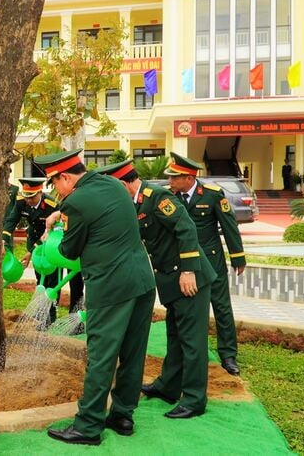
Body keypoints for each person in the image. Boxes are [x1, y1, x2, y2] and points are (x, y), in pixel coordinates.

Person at [33, 150, 156, 446]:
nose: (55, 190)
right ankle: (123, 416)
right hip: (142, 280)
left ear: (65, 177)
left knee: (101, 355)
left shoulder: (74, 202)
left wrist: (53, 236)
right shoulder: (112, 184)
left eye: (54, 183)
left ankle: (88, 426)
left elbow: (69, 252)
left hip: (111, 288)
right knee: (132, 351)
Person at [98, 159, 217, 420]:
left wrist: (188, 271)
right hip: (171, 280)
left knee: (193, 341)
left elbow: (185, 227)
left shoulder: (157, 197)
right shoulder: (135, 203)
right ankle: (168, 386)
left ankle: (195, 400)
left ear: (123, 183)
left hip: (189, 278)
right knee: (175, 335)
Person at [166, 152, 246, 376]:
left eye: (174, 178)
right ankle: (188, 351)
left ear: (189, 178)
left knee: (220, 306)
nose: (170, 181)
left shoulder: (212, 195)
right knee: (188, 309)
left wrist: (237, 257)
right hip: (184, 264)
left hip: (211, 261)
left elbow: (229, 226)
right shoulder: (171, 197)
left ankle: (228, 354)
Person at [2, 177, 60, 324]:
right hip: (33, 240)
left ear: (40, 192)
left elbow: (52, 231)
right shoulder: (22, 201)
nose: (29, 201)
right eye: (27, 197)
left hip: (50, 244)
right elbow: (11, 220)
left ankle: (51, 316)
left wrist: (31, 252)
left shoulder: (51, 205)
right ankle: (42, 314)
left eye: (32, 197)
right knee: (39, 277)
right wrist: (3, 240)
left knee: (51, 281)